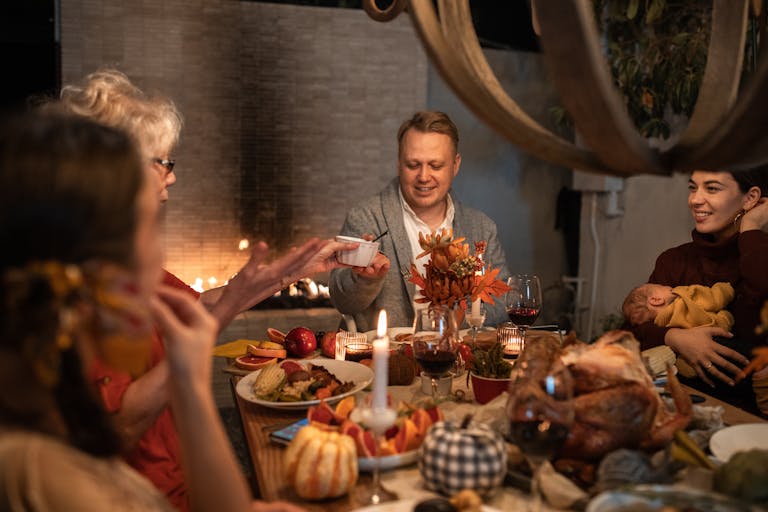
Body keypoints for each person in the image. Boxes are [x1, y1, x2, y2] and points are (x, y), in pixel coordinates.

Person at [53, 69, 350, 509]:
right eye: (162, 162)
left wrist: (294, 271)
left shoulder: (122, 255)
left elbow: (199, 303)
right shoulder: (78, 281)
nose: (171, 176)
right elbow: (121, 423)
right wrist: (211, 326)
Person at [0, 112, 302, 511]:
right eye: (149, 226)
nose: (159, 254)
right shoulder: (49, 477)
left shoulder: (47, 415)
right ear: (104, 271)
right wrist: (190, 378)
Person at [329, 111, 511, 332]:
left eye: (435, 166)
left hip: (458, 359)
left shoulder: (482, 228)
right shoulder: (366, 217)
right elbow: (342, 301)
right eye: (413, 165)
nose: (424, 176)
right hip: (383, 361)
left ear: (455, 165)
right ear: (398, 164)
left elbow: (502, 304)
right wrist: (365, 281)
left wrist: (452, 318)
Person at [628, 167, 768, 414]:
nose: (694, 199)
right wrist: (675, 338)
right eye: (693, 187)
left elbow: (761, 293)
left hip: (749, 418)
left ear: (750, 198)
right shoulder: (674, 260)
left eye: (712, 188)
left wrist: (751, 229)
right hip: (683, 405)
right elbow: (631, 330)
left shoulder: (759, 258)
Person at [622, 282, 735, 330]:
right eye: (662, 285)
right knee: (725, 316)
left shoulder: (665, 326)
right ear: (656, 300)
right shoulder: (684, 295)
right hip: (719, 325)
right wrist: (725, 288)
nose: (668, 286)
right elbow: (714, 299)